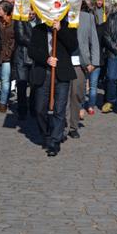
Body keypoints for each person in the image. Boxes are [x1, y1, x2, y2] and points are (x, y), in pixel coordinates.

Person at [29, 17, 77, 157]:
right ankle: (47, 134)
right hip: (43, 73)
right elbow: (31, 51)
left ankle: (55, 142)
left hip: (61, 73)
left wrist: (60, 31)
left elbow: (73, 46)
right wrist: (46, 59)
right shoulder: (38, 29)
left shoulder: (69, 27)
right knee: (39, 109)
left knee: (59, 109)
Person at [66, 0, 100, 139]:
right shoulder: (61, 16)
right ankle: (62, 124)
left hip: (81, 63)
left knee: (77, 94)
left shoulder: (88, 17)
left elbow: (94, 41)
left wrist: (94, 62)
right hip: (64, 61)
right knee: (62, 95)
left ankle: (73, 126)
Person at [13, 10, 38, 121]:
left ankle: (33, 107)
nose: (31, 15)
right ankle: (22, 110)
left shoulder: (40, 21)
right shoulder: (19, 20)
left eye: (33, 13)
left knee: (34, 84)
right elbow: (21, 37)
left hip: (35, 57)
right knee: (22, 84)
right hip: (22, 56)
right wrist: (38, 43)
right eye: (29, 12)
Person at [0, 0, 15, 113]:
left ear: (6, 11)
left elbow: (15, 39)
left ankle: (3, 102)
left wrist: (10, 52)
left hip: (8, 56)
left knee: (5, 81)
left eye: (0, 9)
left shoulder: (14, 23)